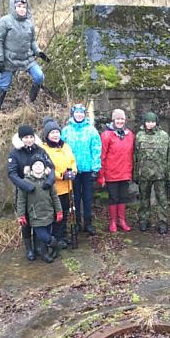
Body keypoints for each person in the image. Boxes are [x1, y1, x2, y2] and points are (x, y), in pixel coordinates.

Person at [0, 0, 50, 111]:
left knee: (39, 77)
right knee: (4, 84)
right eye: (19, 6)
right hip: (10, 59)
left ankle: (30, 102)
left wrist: (38, 51)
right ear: (13, 7)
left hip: (27, 58)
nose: (22, 9)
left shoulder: (29, 23)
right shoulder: (4, 21)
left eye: (24, 7)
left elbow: (32, 40)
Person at [7, 125, 56, 260]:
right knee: (26, 222)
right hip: (24, 191)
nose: (29, 140)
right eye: (26, 137)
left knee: (40, 220)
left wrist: (49, 181)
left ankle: (40, 247)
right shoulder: (15, 153)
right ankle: (29, 249)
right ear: (21, 139)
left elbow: (51, 167)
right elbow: (11, 173)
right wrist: (26, 185)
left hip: (41, 190)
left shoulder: (40, 150)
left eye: (30, 137)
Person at [61, 104, 101, 236]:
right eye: (77, 113)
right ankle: (77, 223)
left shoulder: (91, 130)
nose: (79, 115)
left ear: (84, 114)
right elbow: (62, 150)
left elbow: (96, 149)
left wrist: (96, 167)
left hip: (88, 169)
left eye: (81, 113)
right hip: (73, 171)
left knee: (88, 198)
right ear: (73, 114)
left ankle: (88, 223)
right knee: (75, 198)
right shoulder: (66, 130)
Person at [133, 112, 170, 235]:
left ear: (156, 122)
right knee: (144, 199)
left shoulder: (164, 136)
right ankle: (143, 220)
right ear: (144, 122)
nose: (150, 124)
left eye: (152, 121)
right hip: (144, 174)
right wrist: (135, 173)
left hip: (160, 174)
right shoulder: (139, 136)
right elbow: (135, 156)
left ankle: (162, 222)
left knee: (162, 199)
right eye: (148, 121)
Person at [16, 155, 63, 263]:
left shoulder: (48, 181)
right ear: (31, 167)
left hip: (48, 213)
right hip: (35, 215)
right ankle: (56, 244)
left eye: (40, 164)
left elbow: (55, 197)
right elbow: (21, 200)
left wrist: (59, 211)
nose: (38, 166)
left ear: (44, 167)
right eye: (35, 164)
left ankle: (45, 253)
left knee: (43, 237)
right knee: (43, 235)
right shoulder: (25, 182)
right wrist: (21, 215)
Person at [42, 116, 77, 248]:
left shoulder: (66, 146)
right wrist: (61, 175)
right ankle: (56, 237)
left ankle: (62, 235)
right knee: (57, 213)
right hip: (55, 188)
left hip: (68, 186)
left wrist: (73, 172)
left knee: (66, 212)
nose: (55, 135)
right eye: (52, 133)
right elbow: (46, 168)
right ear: (47, 135)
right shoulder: (44, 149)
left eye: (57, 132)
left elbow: (73, 161)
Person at [100, 109, 135, 233]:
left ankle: (122, 220)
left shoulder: (129, 134)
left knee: (123, 197)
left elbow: (132, 154)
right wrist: (101, 174)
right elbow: (102, 155)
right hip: (111, 173)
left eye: (122, 119)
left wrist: (131, 171)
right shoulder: (106, 135)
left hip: (125, 172)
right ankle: (113, 221)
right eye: (117, 119)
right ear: (113, 120)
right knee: (113, 198)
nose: (120, 121)